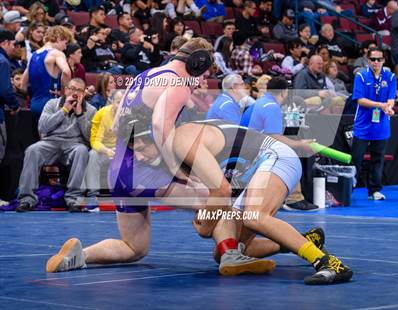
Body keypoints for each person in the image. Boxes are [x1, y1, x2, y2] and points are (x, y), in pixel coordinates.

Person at [46, 38, 274, 276]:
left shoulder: (146, 75)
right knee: (216, 198)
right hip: (145, 170)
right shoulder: (178, 82)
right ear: (196, 63)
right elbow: (160, 126)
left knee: (135, 247)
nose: (203, 81)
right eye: (204, 73)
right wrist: (176, 168)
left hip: (120, 173)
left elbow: (115, 125)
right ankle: (231, 255)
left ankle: (80, 256)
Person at [16, 78, 97, 212]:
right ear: (65, 90)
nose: (74, 92)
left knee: (82, 151)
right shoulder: (52, 104)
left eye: (79, 90)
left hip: (74, 144)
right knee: (32, 150)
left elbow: (89, 138)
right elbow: (42, 128)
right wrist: (64, 110)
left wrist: (79, 115)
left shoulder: (91, 110)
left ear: (84, 93)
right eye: (72, 88)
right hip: (50, 142)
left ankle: (73, 200)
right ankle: (27, 199)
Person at [240, 77, 318, 211]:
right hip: (251, 152)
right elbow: (275, 137)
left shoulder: (258, 103)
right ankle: (293, 199)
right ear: (284, 92)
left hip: (245, 148)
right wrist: (300, 144)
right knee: (290, 155)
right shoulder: (272, 107)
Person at [351, 47, 397, 200]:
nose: (376, 62)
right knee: (356, 159)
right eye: (373, 59)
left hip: (381, 125)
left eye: (379, 59)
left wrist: (389, 108)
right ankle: (347, 189)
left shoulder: (390, 77)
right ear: (368, 60)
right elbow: (360, 100)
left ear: (383, 60)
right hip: (363, 125)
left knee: (378, 159)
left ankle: (374, 190)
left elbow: (391, 98)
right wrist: (381, 105)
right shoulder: (361, 76)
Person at [21, 26, 73, 122]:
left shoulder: (34, 55)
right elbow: (66, 72)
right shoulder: (57, 54)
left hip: (34, 104)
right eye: (65, 43)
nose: (65, 47)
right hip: (50, 104)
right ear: (58, 38)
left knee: (39, 137)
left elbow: (23, 86)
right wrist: (63, 92)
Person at [85, 90, 123, 206]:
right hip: (104, 150)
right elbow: (94, 141)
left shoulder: (132, 115)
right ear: (112, 102)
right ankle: (92, 195)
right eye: (118, 102)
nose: (121, 106)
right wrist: (107, 151)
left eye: (124, 102)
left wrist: (121, 150)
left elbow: (135, 140)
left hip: (122, 150)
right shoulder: (101, 114)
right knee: (93, 154)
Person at [0, 29, 21, 207]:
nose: (14, 47)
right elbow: (5, 90)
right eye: (13, 43)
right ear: (4, 43)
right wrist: (14, 105)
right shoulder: (3, 61)